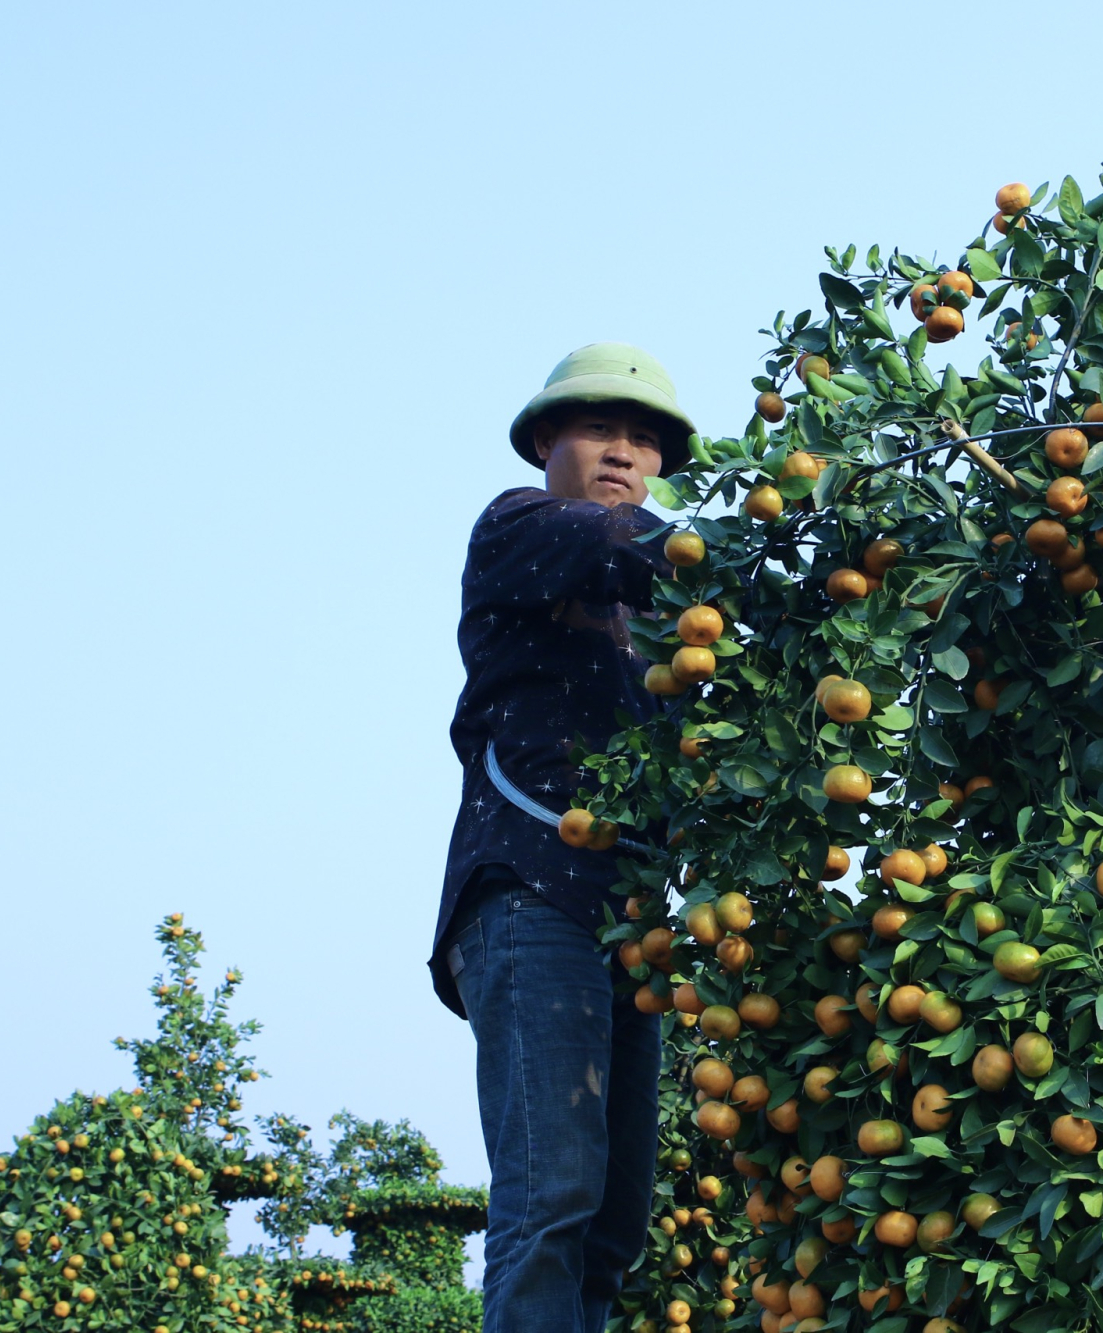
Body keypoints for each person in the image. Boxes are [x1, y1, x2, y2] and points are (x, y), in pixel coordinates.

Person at [430, 343, 694, 1332]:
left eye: (641, 437)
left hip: (630, 922)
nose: (622, 450)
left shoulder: (671, 624)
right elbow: (619, 545)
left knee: (612, 1222)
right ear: (549, 439)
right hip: (529, 895)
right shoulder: (520, 525)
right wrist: (776, 549)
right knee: (550, 1201)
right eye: (599, 428)